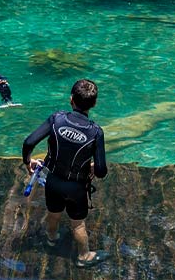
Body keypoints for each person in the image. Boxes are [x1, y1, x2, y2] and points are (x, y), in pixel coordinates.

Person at [22, 79, 109, 267]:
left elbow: (29, 142)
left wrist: (28, 162)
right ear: (94, 104)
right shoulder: (96, 132)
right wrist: (92, 167)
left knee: (53, 213)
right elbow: (101, 171)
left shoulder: (56, 119)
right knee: (78, 224)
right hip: (76, 187)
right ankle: (83, 256)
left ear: (71, 100)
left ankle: (51, 239)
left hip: (53, 181)